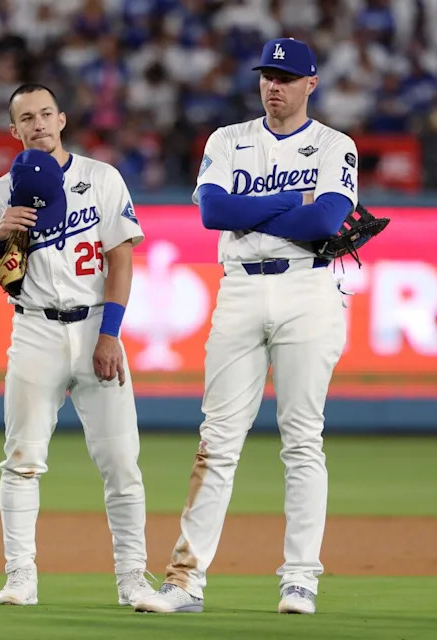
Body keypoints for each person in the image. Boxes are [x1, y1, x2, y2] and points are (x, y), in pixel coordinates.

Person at [132, 38, 358, 616]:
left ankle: (300, 578)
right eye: (266, 75)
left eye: (285, 76)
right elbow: (213, 212)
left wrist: (264, 210)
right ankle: (185, 582)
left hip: (308, 288)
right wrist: (292, 203)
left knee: (303, 438)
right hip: (238, 288)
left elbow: (329, 218)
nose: (273, 85)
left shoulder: (336, 145)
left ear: (311, 84)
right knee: (217, 442)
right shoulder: (228, 139)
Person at [0, 84, 156, 607]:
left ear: (62, 119)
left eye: (47, 113)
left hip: (94, 325)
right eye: (27, 117)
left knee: (122, 463)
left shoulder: (101, 178)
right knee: (21, 459)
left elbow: (122, 259)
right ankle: (21, 575)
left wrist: (110, 333)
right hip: (34, 328)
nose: (39, 123)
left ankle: (133, 578)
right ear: (14, 130)